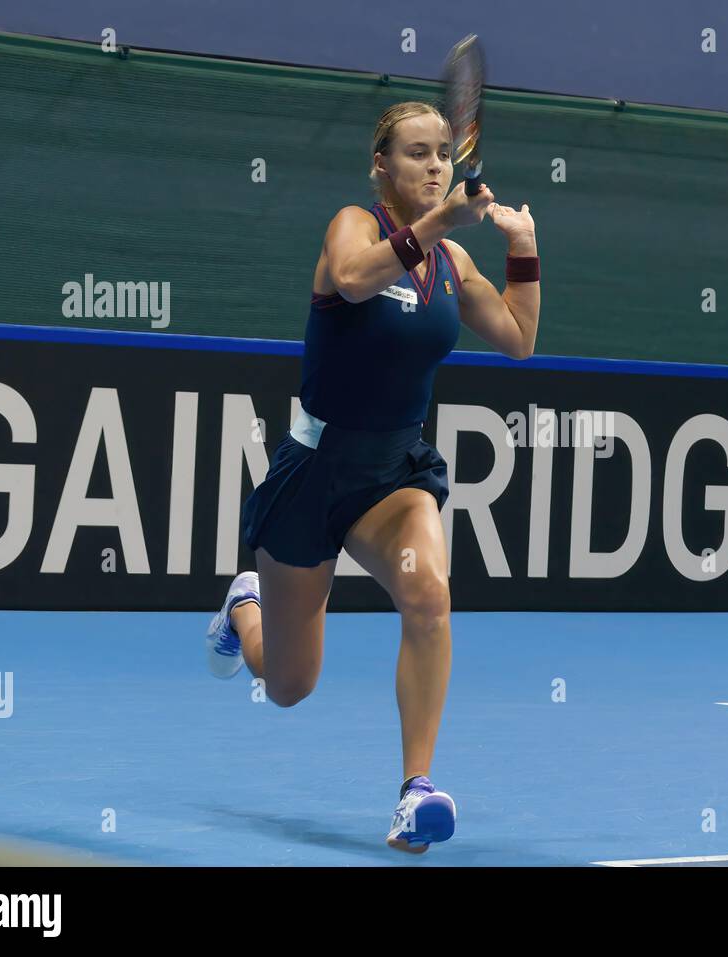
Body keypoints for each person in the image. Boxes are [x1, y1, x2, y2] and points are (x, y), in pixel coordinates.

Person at [204, 100, 540, 853]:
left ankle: (414, 792)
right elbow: (354, 280)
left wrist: (523, 247)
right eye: (415, 153)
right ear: (379, 167)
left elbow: (519, 336)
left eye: (443, 153)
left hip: (395, 473)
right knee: (290, 684)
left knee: (428, 594)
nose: (433, 166)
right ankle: (244, 611)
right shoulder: (351, 227)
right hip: (314, 473)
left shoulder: (454, 265)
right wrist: (438, 225)